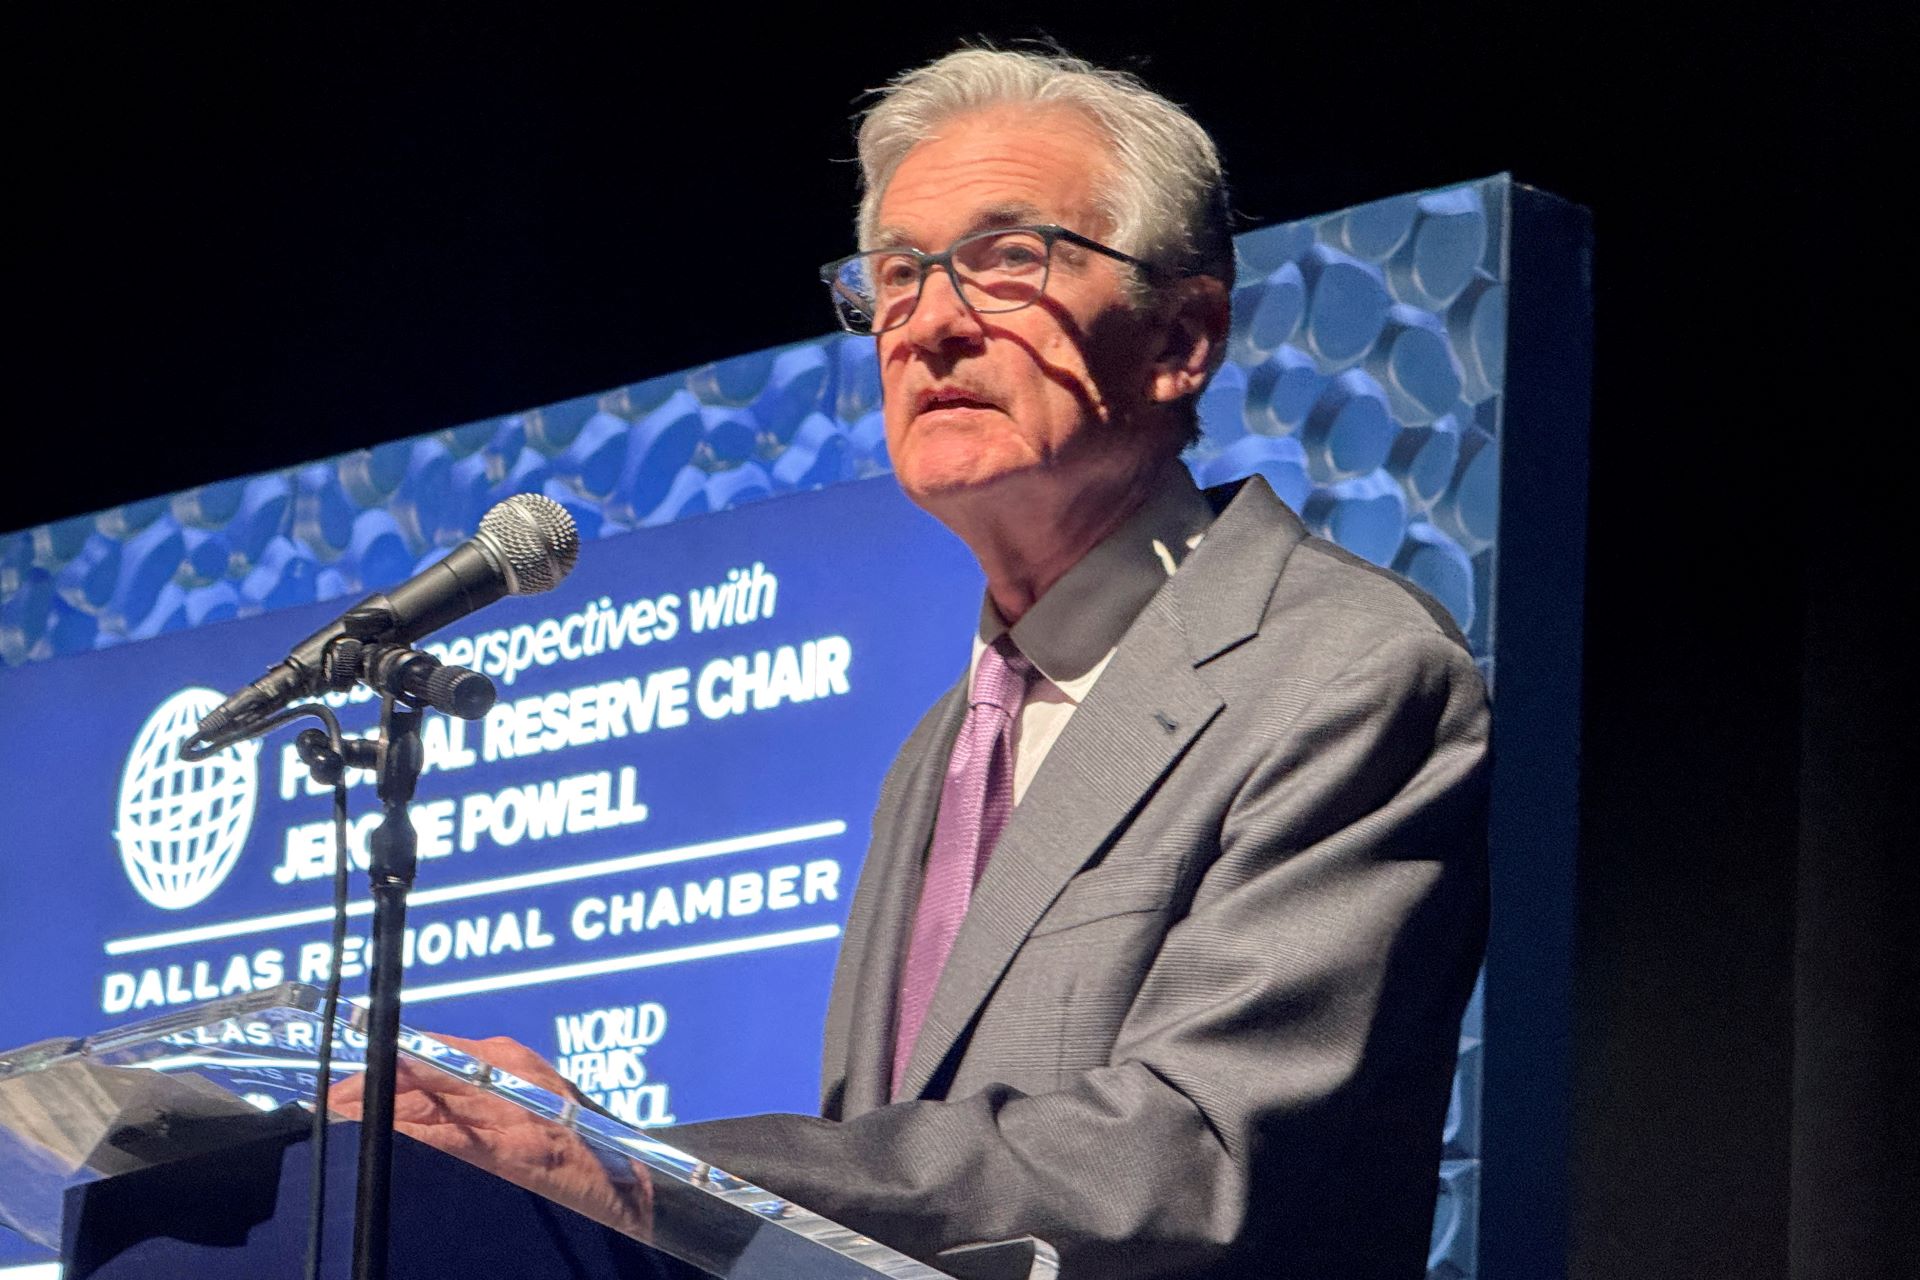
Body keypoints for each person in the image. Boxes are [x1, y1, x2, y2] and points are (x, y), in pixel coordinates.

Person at [336, 47, 1489, 1280]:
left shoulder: (1345, 668)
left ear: (1183, 334)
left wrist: (635, 1167)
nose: (931, 323)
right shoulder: (941, 743)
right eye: (896, 275)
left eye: (1007, 261)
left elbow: (1194, 1154)